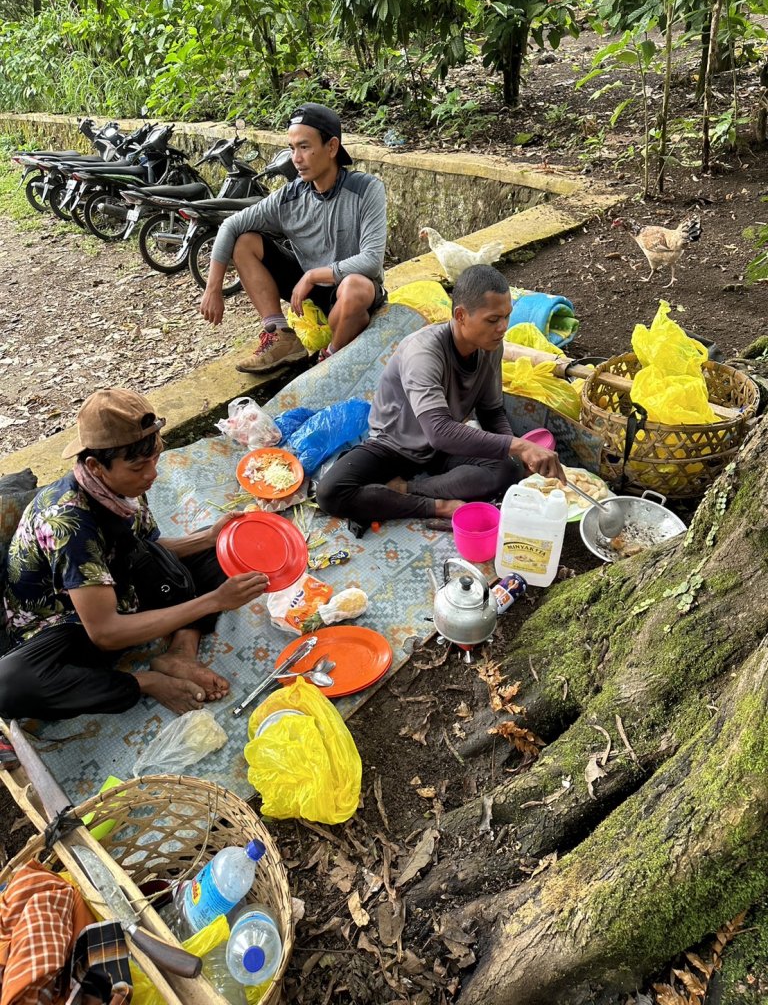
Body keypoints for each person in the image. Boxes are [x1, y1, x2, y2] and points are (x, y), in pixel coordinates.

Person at [0, 389, 267, 721]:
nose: (153, 474)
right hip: (67, 624)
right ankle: (145, 680)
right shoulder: (67, 523)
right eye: (139, 466)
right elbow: (106, 633)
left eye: (155, 459)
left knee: (229, 548)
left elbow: (148, 549)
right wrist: (214, 601)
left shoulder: (123, 489)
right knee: (10, 686)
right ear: (96, 466)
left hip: (117, 585)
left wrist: (211, 538)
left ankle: (180, 653)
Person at [316, 265, 566, 525]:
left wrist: (515, 453)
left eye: (507, 317)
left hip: (443, 447)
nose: (503, 328)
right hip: (395, 445)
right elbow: (438, 429)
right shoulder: (423, 353)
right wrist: (519, 445)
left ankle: (404, 489)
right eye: (493, 320)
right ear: (461, 315)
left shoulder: (490, 346)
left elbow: (490, 411)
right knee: (330, 493)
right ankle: (437, 505)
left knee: (508, 470)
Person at [200, 103, 388, 373]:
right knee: (245, 242)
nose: (295, 158)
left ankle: (329, 357)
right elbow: (230, 225)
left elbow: (371, 261)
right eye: (291, 148)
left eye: (304, 147)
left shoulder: (366, 189)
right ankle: (282, 337)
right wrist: (213, 288)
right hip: (309, 297)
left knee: (354, 287)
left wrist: (312, 276)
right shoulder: (290, 196)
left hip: (350, 296)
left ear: (332, 147)